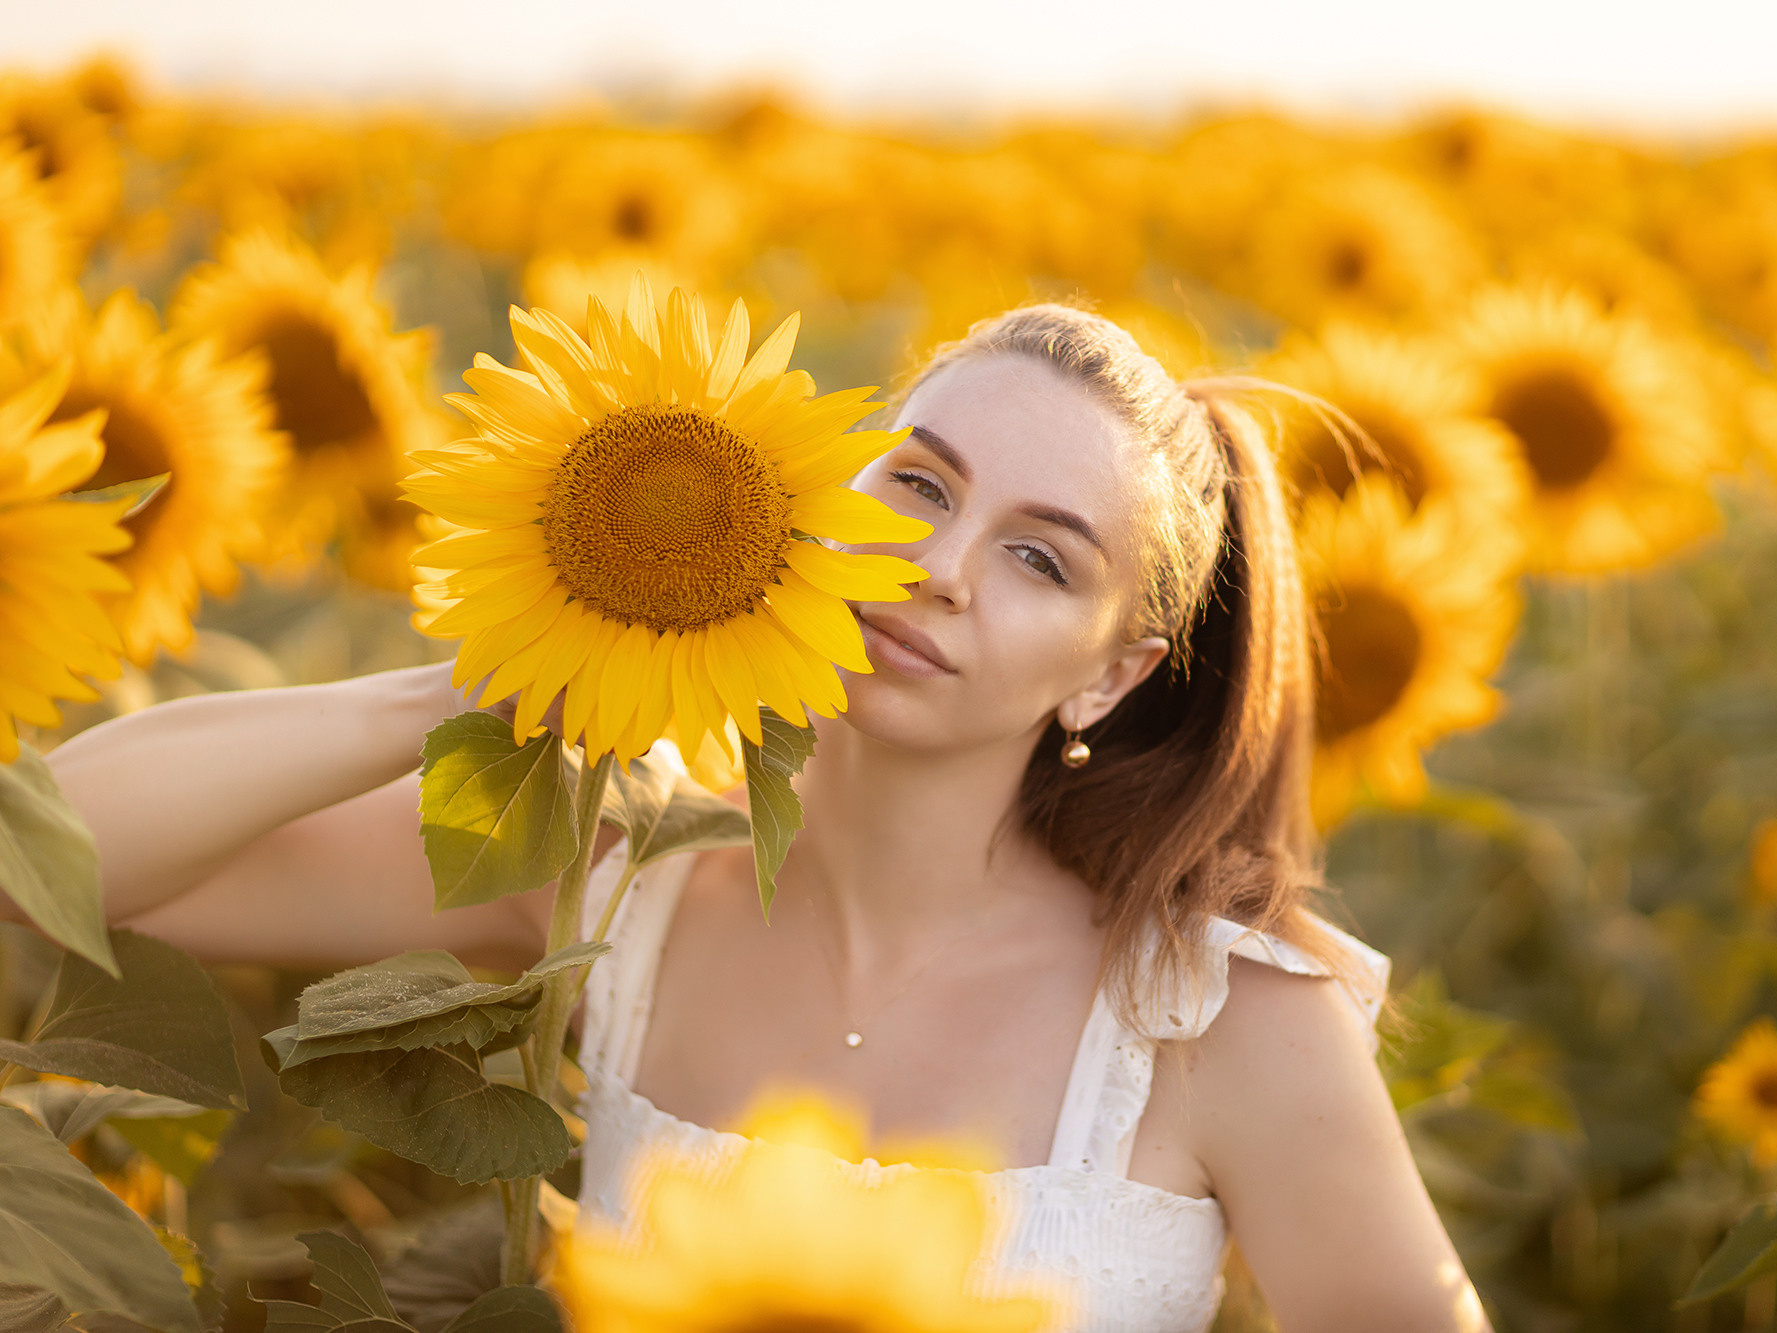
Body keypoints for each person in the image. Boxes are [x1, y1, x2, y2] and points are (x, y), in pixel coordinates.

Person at [26, 304, 1488, 1332]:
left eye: (1040, 558)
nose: (939, 567)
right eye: (919, 486)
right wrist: (476, 680)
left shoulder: (1214, 1022)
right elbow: (61, 859)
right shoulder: (615, 876)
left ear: (1111, 672)